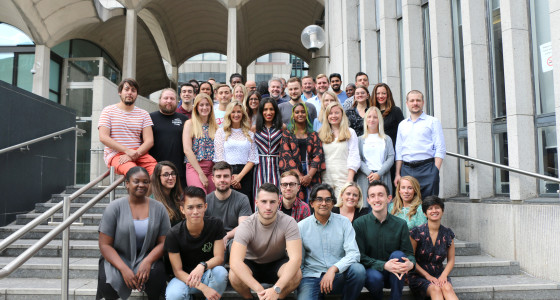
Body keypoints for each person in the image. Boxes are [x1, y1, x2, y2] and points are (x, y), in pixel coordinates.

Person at [97, 167, 170, 300]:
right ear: (127, 183)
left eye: (145, 182)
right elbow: (105, 245)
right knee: (108, 284)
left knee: (156, 276)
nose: (141, 185)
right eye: (136, 181)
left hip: (148, 256)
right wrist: (124, 269)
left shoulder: (159, 208)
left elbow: (164, 242)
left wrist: (148, 261)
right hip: (119, 257)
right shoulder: (114, 208)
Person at [229, 183, 302, 300]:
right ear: (256, 202)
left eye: (272, 202)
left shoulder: (289, 222)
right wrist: (260, 291)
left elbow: (296, 259)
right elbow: (235, 262)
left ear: (279, 202)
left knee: (296, 274)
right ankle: (250, 298)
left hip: (277, 263)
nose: (268, 207)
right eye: (264, 202)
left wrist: (276, 289)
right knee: (234, 275)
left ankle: (275, 299)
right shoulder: (246, 225)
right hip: (252, 264)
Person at [297, 183, 365, 300]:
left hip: (338, 276)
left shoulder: (344, 222)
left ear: (333, 203)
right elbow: (299, 261)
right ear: (312, 203)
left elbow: (354, 254)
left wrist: (333, 270)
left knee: (358, 270)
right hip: (311, 277)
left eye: (328, 200)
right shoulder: (301, 227)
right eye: (319, 200)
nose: (324, 203)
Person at [353, 181, 416, 300]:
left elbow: (409, 253)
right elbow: (359, 256)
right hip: (373, 274)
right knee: (374, 277)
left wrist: (410, 264)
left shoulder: (400, 224)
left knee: (399, 255)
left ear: (389, 198)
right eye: (372, 196)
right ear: (368, 200)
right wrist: (384, 265)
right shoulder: (359, 224)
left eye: (380, 195)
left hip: (395, 274)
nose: (377, 199)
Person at [165, 186, 228, 300]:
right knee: (173, 295)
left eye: (199, 206)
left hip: (206, 275)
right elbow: (177, 271)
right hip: (184, 278)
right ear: (182, 209)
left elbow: (219, 258)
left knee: (221, 272)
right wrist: (204, 288)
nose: (195, 212)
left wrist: (202, 265)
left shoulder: (216, 224)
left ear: (205, 207)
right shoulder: (173, 234)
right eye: (190, 207)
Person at [98, 78, 156, 175]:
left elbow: (149, 141)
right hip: (116, 154)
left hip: (138, 153)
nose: (130, 92)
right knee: (135, 173)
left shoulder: (144, 114)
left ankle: (148, 191)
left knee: (158, 173)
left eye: (133, 90)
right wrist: (126, 151)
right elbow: (103, 137)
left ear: (137, 94)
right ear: (120, 92)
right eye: (127, 89)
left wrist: (134, 154)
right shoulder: (108, 111)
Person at [395, 90, 446, 199]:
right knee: (408, 207)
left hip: (427, 169)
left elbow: (440, 148)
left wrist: (435, 171)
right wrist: (397, 174)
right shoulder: (402, 125)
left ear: (423, 102)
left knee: (429, 205)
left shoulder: (433, 121)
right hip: (406, 170)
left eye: (418, 100)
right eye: (412, 100)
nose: (415, 103)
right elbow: (399, 150)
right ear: (407, 103)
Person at [409, 196, 458, 300]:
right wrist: (428, 276)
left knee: (447, 288)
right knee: (436, 289)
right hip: (419, 275)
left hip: (439, 273)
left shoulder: (448, 234)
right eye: (430, 208)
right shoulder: (416, 232)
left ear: (442, 211)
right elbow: (411, 259)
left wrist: (444, 275)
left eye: (437, 207)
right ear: (425, 213)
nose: (434, 211)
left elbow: (451, 260)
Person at [214, 101, 258, 206]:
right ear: (229, 114)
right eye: (233, 112)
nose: (236, 114)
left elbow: (252, 158)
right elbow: (219, 156)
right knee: (227, 204)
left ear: (243, 114)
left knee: (245, 204)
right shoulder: (221, 132)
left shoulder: (250, 134)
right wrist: (230, 176)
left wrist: (239, 177)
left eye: (239, 112)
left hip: (245, 175)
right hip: (226, 173)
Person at [206, 162, 252, 261]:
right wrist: (219, 239)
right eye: (218, 176)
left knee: (239, 243)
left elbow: (244, 226)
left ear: (231, 179)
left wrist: (226, 236)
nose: (222, 180)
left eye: (226, 176)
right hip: (213, 240)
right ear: (213, 179)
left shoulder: (242, 199)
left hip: (234, 239)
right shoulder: (205, 201)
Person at [283, 102, 325, 202]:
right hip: (295, 171)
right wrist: (300, 177)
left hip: (312, 171)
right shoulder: (288, 134)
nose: (300, 114)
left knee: (313, 200)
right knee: (296, 201)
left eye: (303, 112)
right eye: (297, 112)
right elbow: (287, 156)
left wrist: (309, 176)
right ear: (293, 115)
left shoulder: (314, 134)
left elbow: (318, 155)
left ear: (306, 115)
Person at [318, 102, 360, 198]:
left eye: (337, 113)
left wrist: (349, 180)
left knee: (342, 208)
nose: (333, 116)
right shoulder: (321, 133)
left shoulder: (350, 132)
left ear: (342, 114)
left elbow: (354, 156)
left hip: (344, 177)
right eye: (330, 113)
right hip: (326, 178)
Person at [150, 88, 189, 188]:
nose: (168, 101)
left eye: (172, 98)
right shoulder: (149, 118)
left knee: (179, 202)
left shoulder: (184, 119)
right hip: (156, 171)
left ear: (176, 101)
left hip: (179, 172)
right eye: (165, 98)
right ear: (159, 100)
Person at [356, 107, 395, 202]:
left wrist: (378, 174)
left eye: (375, 117)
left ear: (379, 120)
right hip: (366, 177)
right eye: (369, 117)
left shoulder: (386, 139)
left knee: (383, 205)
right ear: (365, 119)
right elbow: (357, 158)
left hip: (382, 176)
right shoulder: (359, 139)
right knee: (366, 207)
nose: (372, 120)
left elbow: (391, 157)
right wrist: (369, 173)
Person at [253, 98, 290, 196]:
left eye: (271, 109)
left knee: (277, 194)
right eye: (265, 109)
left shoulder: (282, 127)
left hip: (277, 166)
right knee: (260, 194)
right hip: (259, 167)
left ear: (276, 111)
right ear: (261, 111)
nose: (268, 112)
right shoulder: (254, 128)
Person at [182, 93, 218, 194]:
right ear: (196, 107)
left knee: (212, 199)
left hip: (212, 168)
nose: (204, 107)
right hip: (195, 167)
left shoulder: (215, 127)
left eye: (207, 105)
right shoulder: (190, 123)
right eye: (201, 105)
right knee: (199, 195)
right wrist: (201, 174)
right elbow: (187, 150)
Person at [150, 161, 183, 226]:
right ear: (158, 178)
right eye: (166, 175)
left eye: (173, 174)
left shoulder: (179, 197)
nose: (171, 178)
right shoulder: (152, 202)